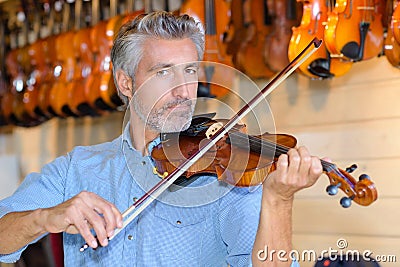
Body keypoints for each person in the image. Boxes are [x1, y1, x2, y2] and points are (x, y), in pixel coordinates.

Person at [0, 11, 323, 266]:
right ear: (125, 83)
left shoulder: (226, 174)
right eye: (163, 72)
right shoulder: (77, 168)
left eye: (191, 71)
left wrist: (279, 201)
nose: (184, 91)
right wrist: (45, 217)